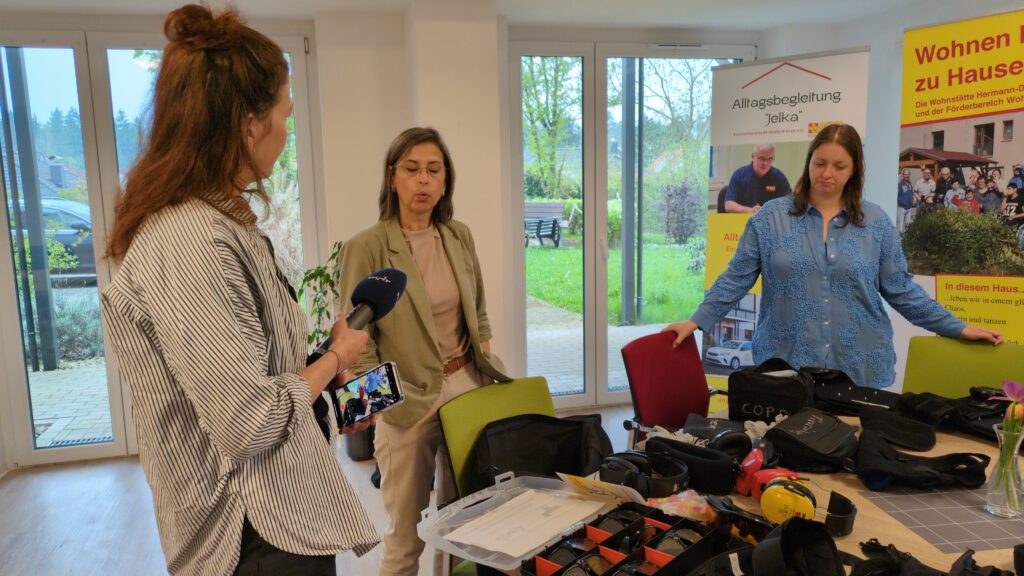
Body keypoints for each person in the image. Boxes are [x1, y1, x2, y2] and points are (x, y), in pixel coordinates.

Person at [99, 6, 378, 575]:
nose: (286, 132)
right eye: (284, 114)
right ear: (250, 124)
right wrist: (337, 358)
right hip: (250, 533)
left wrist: (323, 375)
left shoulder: (219, 225)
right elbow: (249, 421)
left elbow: (250, 369)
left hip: (277, 514)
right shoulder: (190, 241)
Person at [662, 123, 1003, 389]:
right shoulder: (769, 219)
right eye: (820, 163)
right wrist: (696, 321)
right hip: (785, 366)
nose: (827, 174)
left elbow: (902, 289)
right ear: (808, 162)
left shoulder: (876, 222)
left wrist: (957, 327)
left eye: (840, 166)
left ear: (854, 170)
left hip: (859, 367)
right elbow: (735, 278)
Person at [338, 127, 511, 576]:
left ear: (446, 179)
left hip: (467, 388)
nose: (424, 180)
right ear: (392, 177)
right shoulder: (366, 246)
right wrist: (381, 407)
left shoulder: (458, 236)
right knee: (405, 538)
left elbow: (479, 314)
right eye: (413, 169)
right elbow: (356, 341)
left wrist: (483, 374)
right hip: (405, 399)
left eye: (434, 170)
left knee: (464, 524)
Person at [724, 143, 792, 213]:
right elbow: (729, 205)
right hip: (745, 217)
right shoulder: (739, 175)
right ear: (753, 157)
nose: (765, 163)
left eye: (769, 159)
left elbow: (789, 202)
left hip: (770, 217)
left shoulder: (779, 177)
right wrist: (750, 210)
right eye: (761, 158)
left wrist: (771, 210)